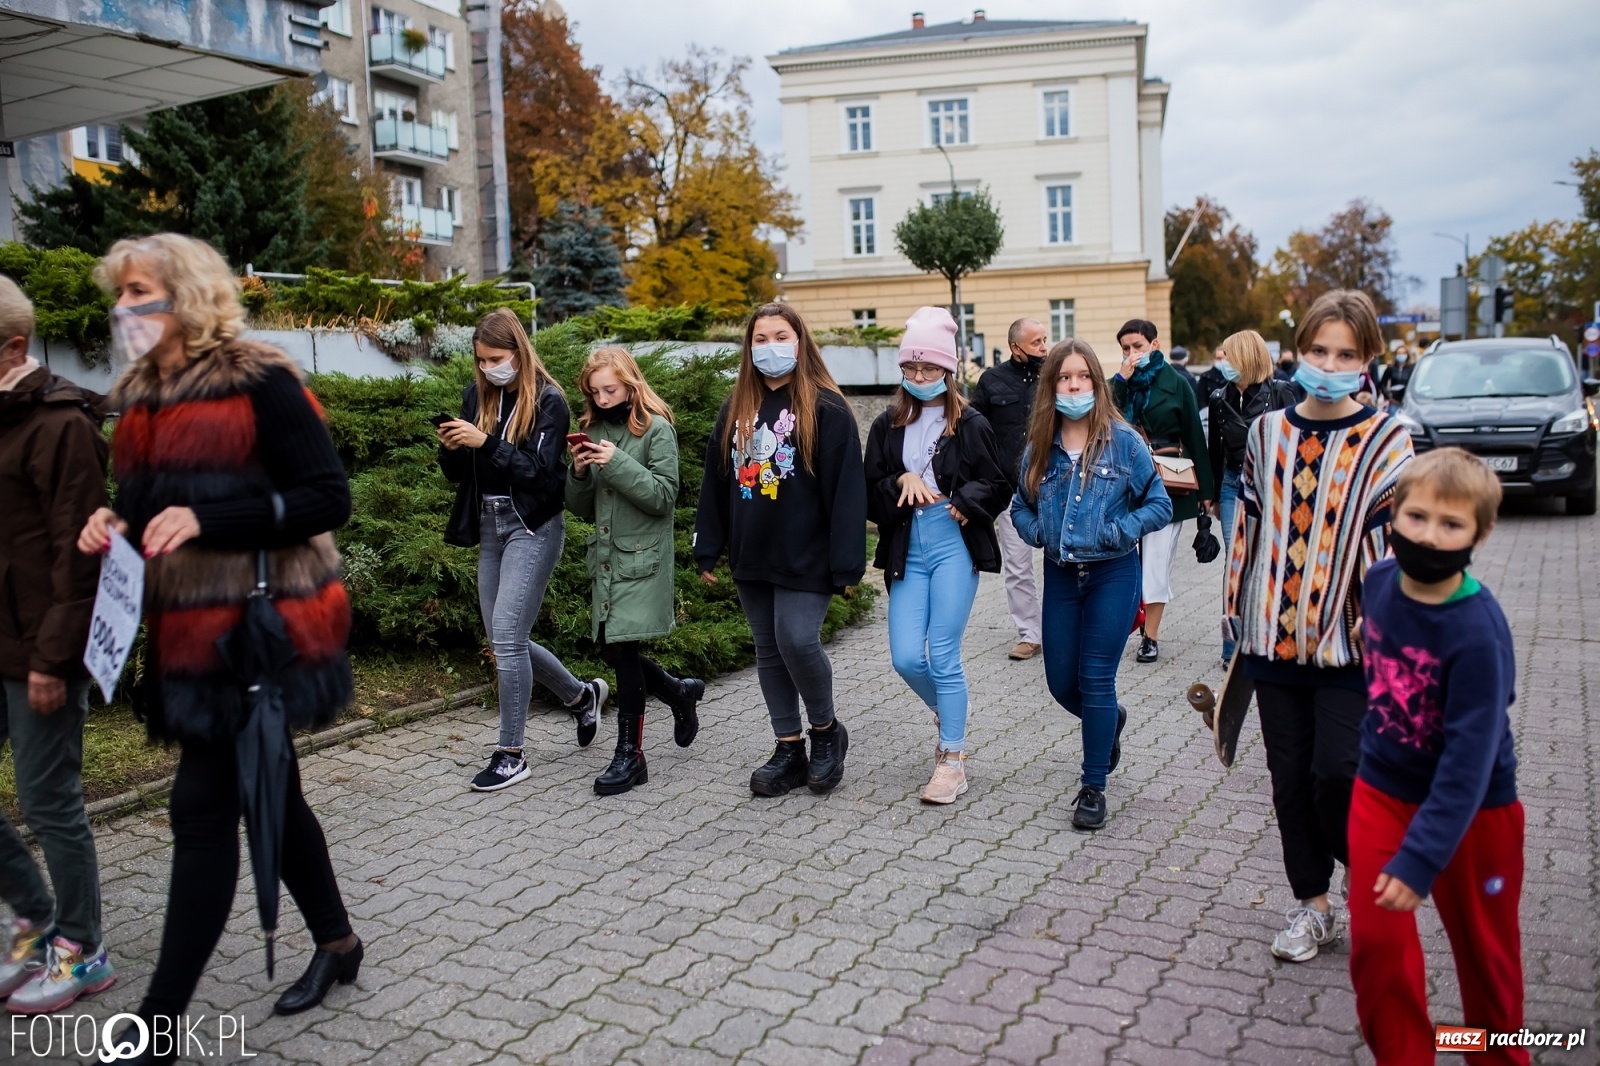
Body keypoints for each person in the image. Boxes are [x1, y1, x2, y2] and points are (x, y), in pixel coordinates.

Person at [77, 234, 363, 1049]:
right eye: (121, 293)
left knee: (201, 812)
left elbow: (325, 497)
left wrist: (212, 520)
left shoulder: (258, 378)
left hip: (257, 635)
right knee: (277, 797)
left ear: (187, 294)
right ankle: (339, 943)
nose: (125, 308)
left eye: (140, 291)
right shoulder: (139, 395)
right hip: (183, 635)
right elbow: (151, 506)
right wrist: (113, 521)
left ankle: (156, 1027)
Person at [1226, 288, 1413, 963]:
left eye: (1345, 354)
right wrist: (1235, 618)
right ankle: (1312, 905)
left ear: (1366, 361)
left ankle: (1364, 864)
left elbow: (1394, 542)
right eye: (1318, 350)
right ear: (1298, 351)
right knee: (1288, 779)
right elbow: (1247, 529)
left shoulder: (1388, 436)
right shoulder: (1265, 432)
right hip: (1273, 638)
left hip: (1353, 643)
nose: (1329, 364)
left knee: (1339, 770)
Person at [1349, 448, 1525, 1066]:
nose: (1430, 534)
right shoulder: (1376, 583)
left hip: (1476, 811)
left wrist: (1423, 856)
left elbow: (1469, 762)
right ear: (1393, 515)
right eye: (1418, 517)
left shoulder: (1479, 633)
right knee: (1377, 945)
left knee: (1486, 961)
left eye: (1451, 525)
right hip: (1381, 790)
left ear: (1481, 533)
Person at [693, 302, 866, 797]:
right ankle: (787, 746)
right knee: (768, 652)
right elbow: (716, 481)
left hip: (807, 554)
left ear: (800, 341)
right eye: (761, 339)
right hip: (753, 552)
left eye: (781, 336)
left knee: (797, 640)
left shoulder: (826, 408)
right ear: (750, 348)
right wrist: (709, 545)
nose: (771, 347)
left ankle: (827, 732)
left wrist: (847, 562)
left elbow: (847, 490)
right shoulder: (736, 408)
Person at [0, 278, 116, 1014]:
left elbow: (78, 561)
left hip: (39, 650)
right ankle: (37, 915)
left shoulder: (61, 425)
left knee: (49, 802)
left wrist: (51, 660)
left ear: (14, 347)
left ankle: (83, 950)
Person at [438, 308, 608, 792]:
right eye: (481, 360)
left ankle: (511, 754)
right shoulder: (478, 396)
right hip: (490, 525)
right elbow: (458, 475)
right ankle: (580, 698)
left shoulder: (549, 401)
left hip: (532, 526)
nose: (488, 367)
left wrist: (485, 442)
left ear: (517, 351)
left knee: (509, 636)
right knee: (504, 640)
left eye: (495, 358)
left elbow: (542, 476)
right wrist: (452, 446)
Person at [1011, 340, 1171, 830]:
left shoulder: (1123, 441)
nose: (1074, 385)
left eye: (1083, 376)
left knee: (1096, 678)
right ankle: (1110, 722)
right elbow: (1020, 504)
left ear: (1097, 384)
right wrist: (1038, 532)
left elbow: (1158, 504)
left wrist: (1120, 530)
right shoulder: (1041, 445)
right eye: (1064, 377)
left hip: (1113, 573)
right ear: (1052, 386)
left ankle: (1093, 786)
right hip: (1061, 575)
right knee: (1062, 682)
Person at [864, 308, 1009, 804]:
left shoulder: (970, 423)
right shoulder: (887, 425)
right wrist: (897, 481)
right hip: (909, 545)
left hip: (952, 545)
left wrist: (967, 504)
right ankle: (951, 711)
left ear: (948, 371)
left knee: (943, 654)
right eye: (911, 369)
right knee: (906, 656)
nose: (920, 378)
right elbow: (869, 491)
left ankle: (952, 759)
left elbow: (997, 484)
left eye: (930, 369)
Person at [566, 347, 702, 796]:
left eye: (611, 389)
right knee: (608, 647)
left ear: (631, 383)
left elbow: (665, 497)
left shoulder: (655, 429)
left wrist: (618, 462)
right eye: (595, 391)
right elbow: (581, 508)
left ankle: (631, 754)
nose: (603, 399)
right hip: (607, 560)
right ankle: (677, 693)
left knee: (622, 651)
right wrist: (580, 472)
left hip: (641, 559)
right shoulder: (593, 429)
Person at [1111, 319, 1212, 663]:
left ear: (1154, 345)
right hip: (1125, 480)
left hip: (1169, 481)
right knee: (1125, 558)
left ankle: (1150, 636)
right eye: (1125, 348)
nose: (1131, 354)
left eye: (1137, 346)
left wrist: (1205, 492)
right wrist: (1121, 378)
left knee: (1155, 560)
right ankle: (1126, 622)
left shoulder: (1177, 383)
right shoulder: (1121, 383)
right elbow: (1103, 413)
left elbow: (1195, 435)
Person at [1205, 329, 1296, 662]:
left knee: (1271, 561)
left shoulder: (1283, 393)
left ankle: (1272, 636)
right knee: (1236, 565)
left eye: (1228, 356)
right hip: (1232, 484)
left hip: (1271, 485)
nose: (1223, 362)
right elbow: (1215, 449)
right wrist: (1211, 496)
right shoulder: (1218, 398)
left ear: (1245, 358)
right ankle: (1234, 648)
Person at [968, 317, 1045, 660]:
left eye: (1045, 340)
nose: (1044, 347)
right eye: (1036, 343)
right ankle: (1030, 634)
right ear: (1016, 347)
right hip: (1011, 490)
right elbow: (972, 427)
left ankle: (1068, 630)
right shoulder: (991, 381)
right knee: (1017, 565)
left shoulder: (1056, 378)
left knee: (1067, 561)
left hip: (1055, 485)